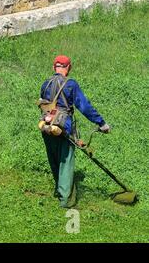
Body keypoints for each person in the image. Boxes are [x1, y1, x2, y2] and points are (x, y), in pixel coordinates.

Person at [39, 55, 110, 208]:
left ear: (54, 68)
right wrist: (101, 123)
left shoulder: (46, 84)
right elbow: (84, 106)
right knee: (65, 162)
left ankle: (59, 190)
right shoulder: (70, 84)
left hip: (46, 126)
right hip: (64, 128)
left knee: (54, 159)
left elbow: (42, 104)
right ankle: (66, 200)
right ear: (69, 68)